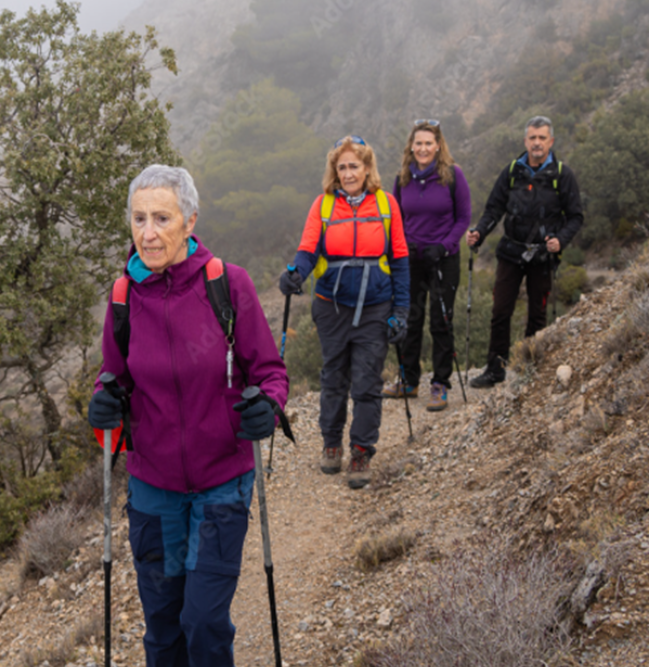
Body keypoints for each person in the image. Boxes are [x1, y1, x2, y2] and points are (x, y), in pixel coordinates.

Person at [87, 165, 288, 667]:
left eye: (161, 218)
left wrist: (267, 405)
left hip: (223, 483)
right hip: (154, 491)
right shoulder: (123, 297)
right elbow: (113, 379)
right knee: (163, 631)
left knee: (202, 623)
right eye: (138, 219)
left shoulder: (227, 285)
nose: (147, 233)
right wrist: (102, 407)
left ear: (190, 220)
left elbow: (268, 371)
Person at [279, 136, 410, 489]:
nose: (348, 173)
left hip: (375, 307)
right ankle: (331, 443)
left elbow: (399, 260)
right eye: (342, 167)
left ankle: (362, 450)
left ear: (367, 168)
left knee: (367, 381)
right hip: (331, 308)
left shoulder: (387, 205)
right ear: (334, 172)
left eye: (354, 166)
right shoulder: (322, 206)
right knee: (334, 377)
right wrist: (295, 274)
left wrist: (401, 310)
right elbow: (307, 251)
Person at [467, 116, 583, 387]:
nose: (537, 143)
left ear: (551, 141)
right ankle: (495, 369)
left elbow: (576, 216)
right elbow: (494, 208)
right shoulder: (511, 171)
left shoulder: (562, 175)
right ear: (525, 141)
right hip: (511, 252)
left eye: (542, 138)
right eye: (532, 138)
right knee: (500, 311)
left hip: (543, 255)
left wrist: (561, 240)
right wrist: (480, 232)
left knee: (537, 313)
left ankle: (532, 369)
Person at [383, 120, 472, 411]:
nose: (422, 148)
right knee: (410, 318)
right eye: (418, 143)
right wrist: (401, 245)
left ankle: (440, 384)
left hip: (444, 259)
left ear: (438, 146)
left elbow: (463, 219)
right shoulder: (403, 178)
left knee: (440, 320)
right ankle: (408, 380)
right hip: (411, 258)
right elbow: (395, 218)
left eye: (428, 143)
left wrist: (444, 246)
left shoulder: (453, 176)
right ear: (411, 146)